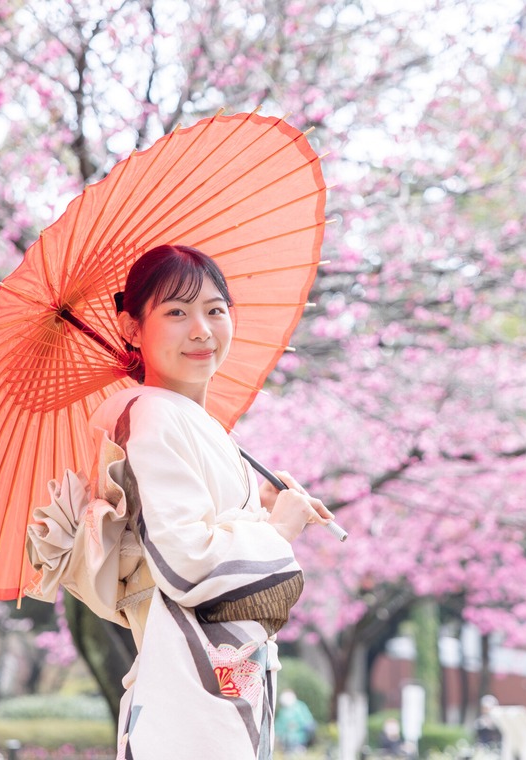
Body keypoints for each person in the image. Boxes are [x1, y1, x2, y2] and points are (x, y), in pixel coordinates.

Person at [34, 245, 334, 759]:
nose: (202, 329)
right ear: (131, 328)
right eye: (176, 312)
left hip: (214, 681)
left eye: (215, 310)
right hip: (189, 693)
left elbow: (190, 532)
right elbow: (187, 562)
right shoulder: (153, 416)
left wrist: (257, 508)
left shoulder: (186, 419)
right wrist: (276, 532)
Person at [274, 688, 316, 754]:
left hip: (300, 741)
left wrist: (298, 726)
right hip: (286, 742)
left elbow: (308, 722)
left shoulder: (300, 706)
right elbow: (279, 726)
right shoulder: (283, 711)